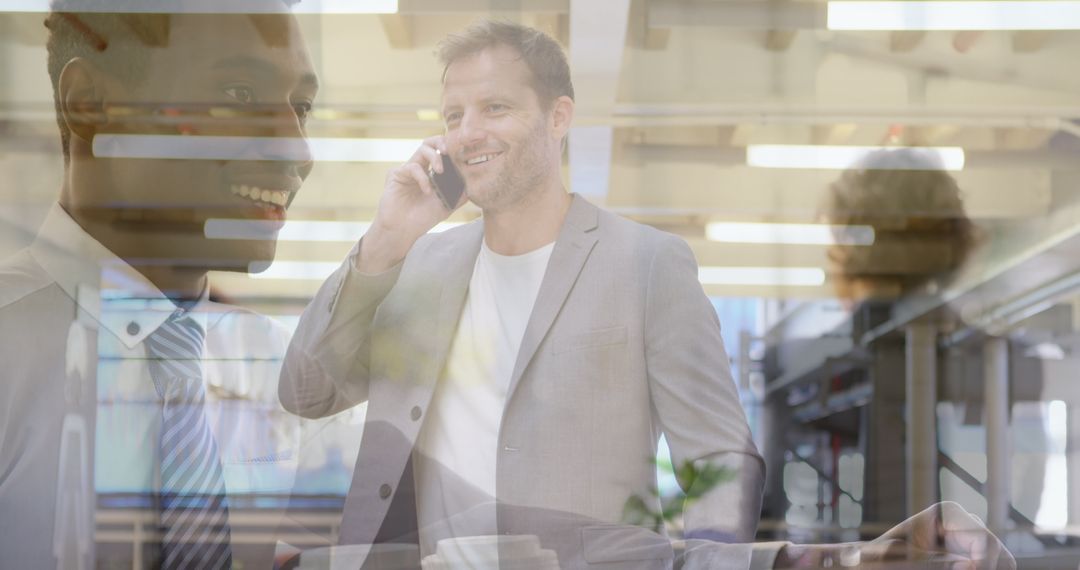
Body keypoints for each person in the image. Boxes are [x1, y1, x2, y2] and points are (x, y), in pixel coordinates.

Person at [279, 21, 1014, 570]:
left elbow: (719, 461)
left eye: (495, 108)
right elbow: (305, 392)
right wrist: (384, 240)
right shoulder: (418, 266)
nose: (468, 133)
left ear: (558, 118)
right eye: (452, 116)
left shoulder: (648, 264)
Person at [0, 2, 322, 568]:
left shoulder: (279, 372)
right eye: (240, 94)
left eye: (301, 108)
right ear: (90, 103)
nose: (297, 151)